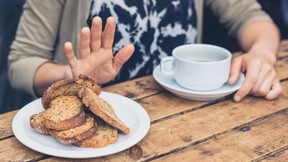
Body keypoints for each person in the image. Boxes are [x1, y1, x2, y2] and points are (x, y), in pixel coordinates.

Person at [8, 0, 282, 103]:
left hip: (186, 121)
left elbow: (251, 18)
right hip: (90, 134)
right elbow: (21, 63)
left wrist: (263, 54)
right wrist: (71, 74)